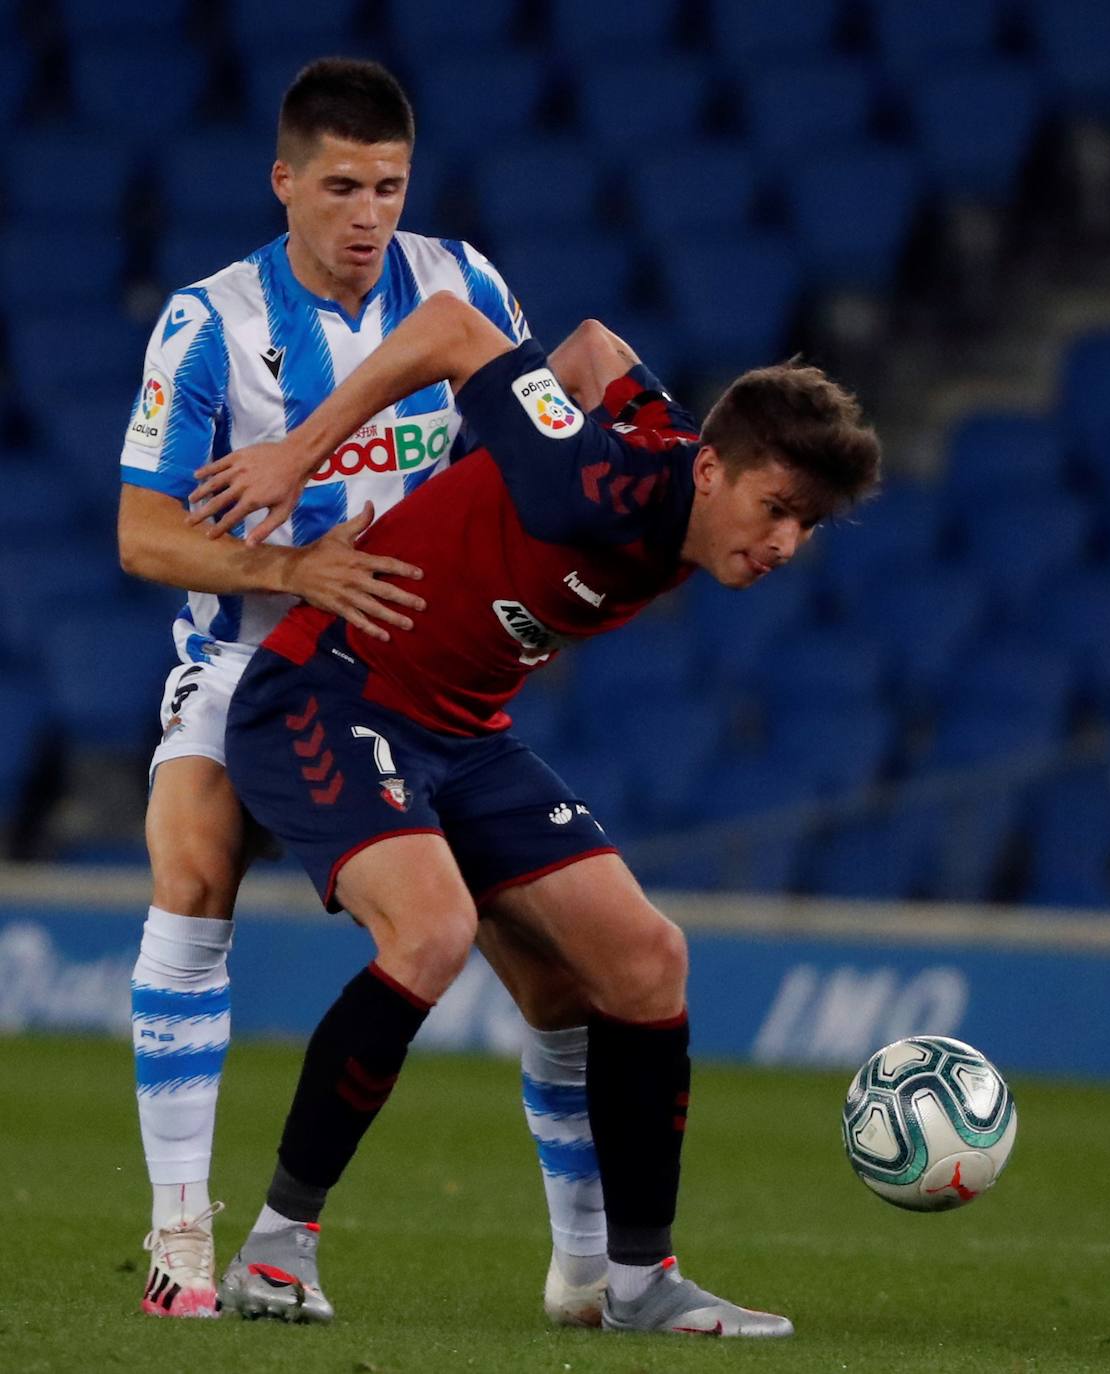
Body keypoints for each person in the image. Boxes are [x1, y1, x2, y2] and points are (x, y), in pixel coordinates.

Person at [192, 291, 882, 1334]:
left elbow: (597, 347)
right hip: (332, 694)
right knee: (432, 931)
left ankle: (636, 1282)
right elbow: (447, 325)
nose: (786, 542)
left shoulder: (668, 451)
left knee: (645, 959)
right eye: (775, 508)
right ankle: (274, 1249)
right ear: (710, 469)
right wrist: (301, 453)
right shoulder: (585, 487)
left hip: (462, 733)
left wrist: (504, 451)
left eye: (807, 524)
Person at [118, 57, 607, 1324]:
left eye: (388, 187)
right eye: (341, 187)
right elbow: (142, 534)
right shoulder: (211, 324)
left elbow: (525, 444)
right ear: (283, 182)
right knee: (191, 870)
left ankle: (589, 1267)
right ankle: (180, 1230)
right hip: (248, 662)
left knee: (551, 967)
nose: (368, 215)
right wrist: (289, 569)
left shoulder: (462, 286)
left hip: (409, 673)